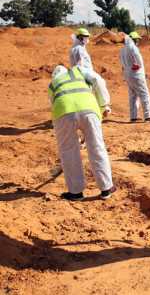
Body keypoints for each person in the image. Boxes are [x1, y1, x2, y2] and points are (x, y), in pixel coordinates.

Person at [48, 65, 115, 201]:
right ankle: (106, 189)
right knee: (97, 147)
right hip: (89, 109)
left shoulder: (52, 84)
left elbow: (54, 103)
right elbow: (98, 80)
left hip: (63, 112)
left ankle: (76, 193)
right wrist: (104, 105)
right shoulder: (78, 71)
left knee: (68, 151)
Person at [119, 31, 150, 123]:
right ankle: (148, 116)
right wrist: (138, 66)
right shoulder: (133, 47)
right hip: (136, 74)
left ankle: (133, 117)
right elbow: (139, 61)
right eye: (136, 39)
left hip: (128, 74)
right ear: (133, 39)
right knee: (144, 94)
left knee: (133, 95)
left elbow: (122, 64)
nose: (137, 41)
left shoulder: (123, 49)